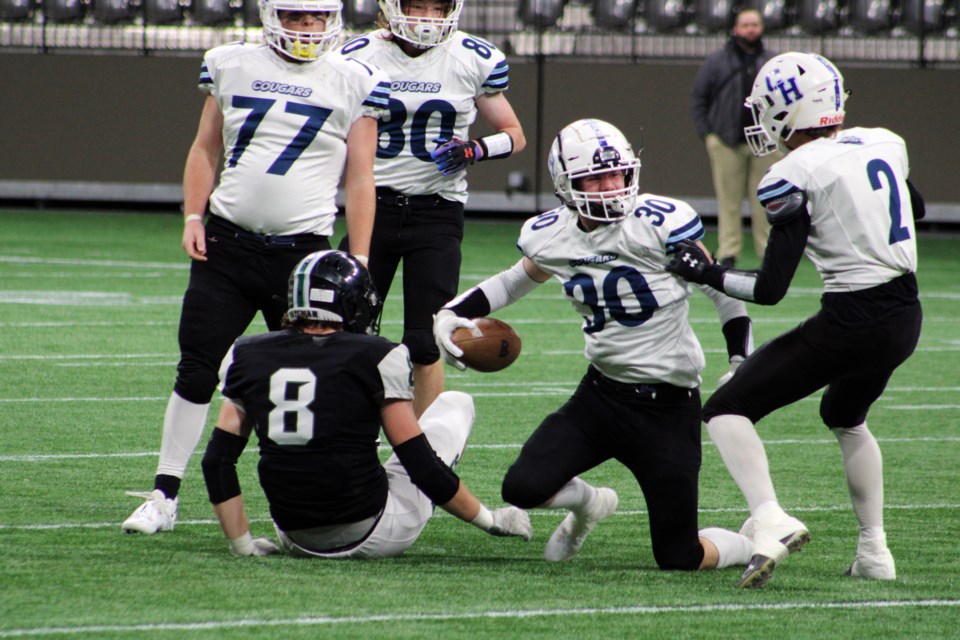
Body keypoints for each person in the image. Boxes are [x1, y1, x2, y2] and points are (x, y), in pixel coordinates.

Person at [433, 119, 756, 571]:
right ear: (566, 185)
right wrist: (450, 312)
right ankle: (589, 504)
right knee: (522, 487)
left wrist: (740, 355)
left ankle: (751, 541)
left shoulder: (659, 224)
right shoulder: (553, 235)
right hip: (601, 398)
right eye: (594, 178)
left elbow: (721, 291)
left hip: (669, 408)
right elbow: (513, 281)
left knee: (679, 556)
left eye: (616, 174)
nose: (609, 187)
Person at [122, 0, 391, 534]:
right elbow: (205, 150)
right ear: (273, 16)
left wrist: (359, 257)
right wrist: (193, 214)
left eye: (317, 17)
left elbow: (361, 176)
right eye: (296, 16)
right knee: (197, 367)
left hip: (305, 257)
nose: (308, 27)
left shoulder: (356, 77)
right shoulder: (231, 62)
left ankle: (338, 495)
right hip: (227, 243)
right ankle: (164, 494)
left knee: (329, 374)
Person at [668, 52, 924, 588]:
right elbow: (915, 208)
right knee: (845, 414)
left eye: (765, 109)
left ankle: (771, 518)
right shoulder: (884, 141)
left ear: (788, 110)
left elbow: (769, 289)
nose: (760, 121)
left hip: (854, 316)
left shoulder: (794, 171)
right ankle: (874, 550)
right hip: (906, 315)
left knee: (726, 407)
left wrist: (709, 273)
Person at [200, 250, 531, 557]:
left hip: (294, 534)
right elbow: (421, 464)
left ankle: (245, 542)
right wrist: (490, 520)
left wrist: (242, 545)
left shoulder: (245, 353)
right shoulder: (376, 355)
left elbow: (216, 461)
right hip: (371, 531)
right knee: (456, 404)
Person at [337, 0, 526, 417]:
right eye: (416, 6)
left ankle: (425, 454)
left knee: (428, 339)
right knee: (349, 328)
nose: (425, 17)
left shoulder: (471, 57)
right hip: (374, 207)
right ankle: (350, 439)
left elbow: (515, 135)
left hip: (437, 212)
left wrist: (476, 148)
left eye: (435, 8)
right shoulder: (358, 55)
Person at [691, 8, 777, 268]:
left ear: (761, 28)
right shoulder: (717, 61)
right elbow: (699, 98)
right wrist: (708, 134)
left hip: (764, 143)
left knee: (765, 199)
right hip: (726, 142)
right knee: (728, 201)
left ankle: (768, 253)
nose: (751, 29)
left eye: (755, 24)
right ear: (735, 29)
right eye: (745, 24)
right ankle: (729, 252)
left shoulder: (771, 61)